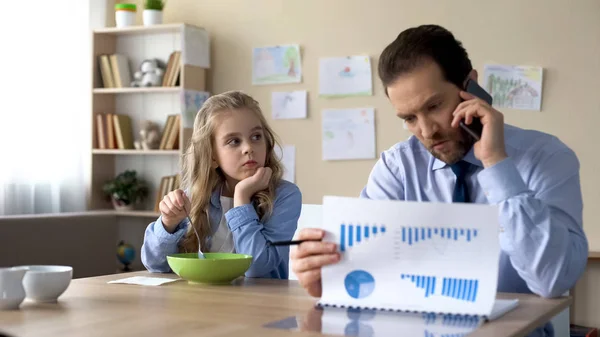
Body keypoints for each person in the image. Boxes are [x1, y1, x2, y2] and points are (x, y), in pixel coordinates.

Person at [291, 25, 587, 336]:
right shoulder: (397, 168)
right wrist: (328, 279)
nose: (427, 131)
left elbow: (552, 280)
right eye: (409, 118)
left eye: (434, 107)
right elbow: (370, 273)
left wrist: (496, 163)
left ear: (470, 87)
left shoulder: (548, 157)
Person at [142, 90, 302, 279]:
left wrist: (241, 197)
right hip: (201, 302)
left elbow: (257, 267)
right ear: (212, 156)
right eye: (234, 141)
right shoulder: (196, 197)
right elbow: (154, 263)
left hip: (259, 305)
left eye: (256, 137)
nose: (249, 148)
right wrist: (168, 223)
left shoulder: (285, 195)